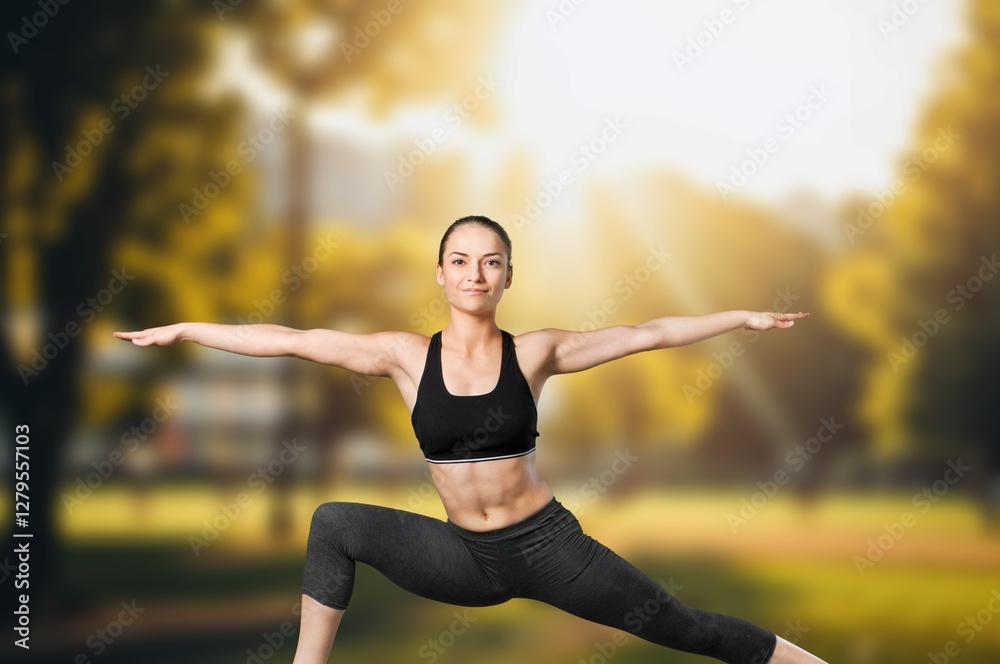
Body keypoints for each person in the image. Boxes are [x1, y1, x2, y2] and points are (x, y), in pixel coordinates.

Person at [114, 215, 826, 663]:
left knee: (687, 629)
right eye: (460, 259)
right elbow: (293, 341)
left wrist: (742, 318)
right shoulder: (402, 355)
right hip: (464, 558)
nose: (475, 272)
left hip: (549, 550)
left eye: (490, 261)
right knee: (335, 523)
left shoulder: (535, 353)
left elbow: (646, 334)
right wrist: (185, 330)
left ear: (508, 275)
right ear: (441, 273)